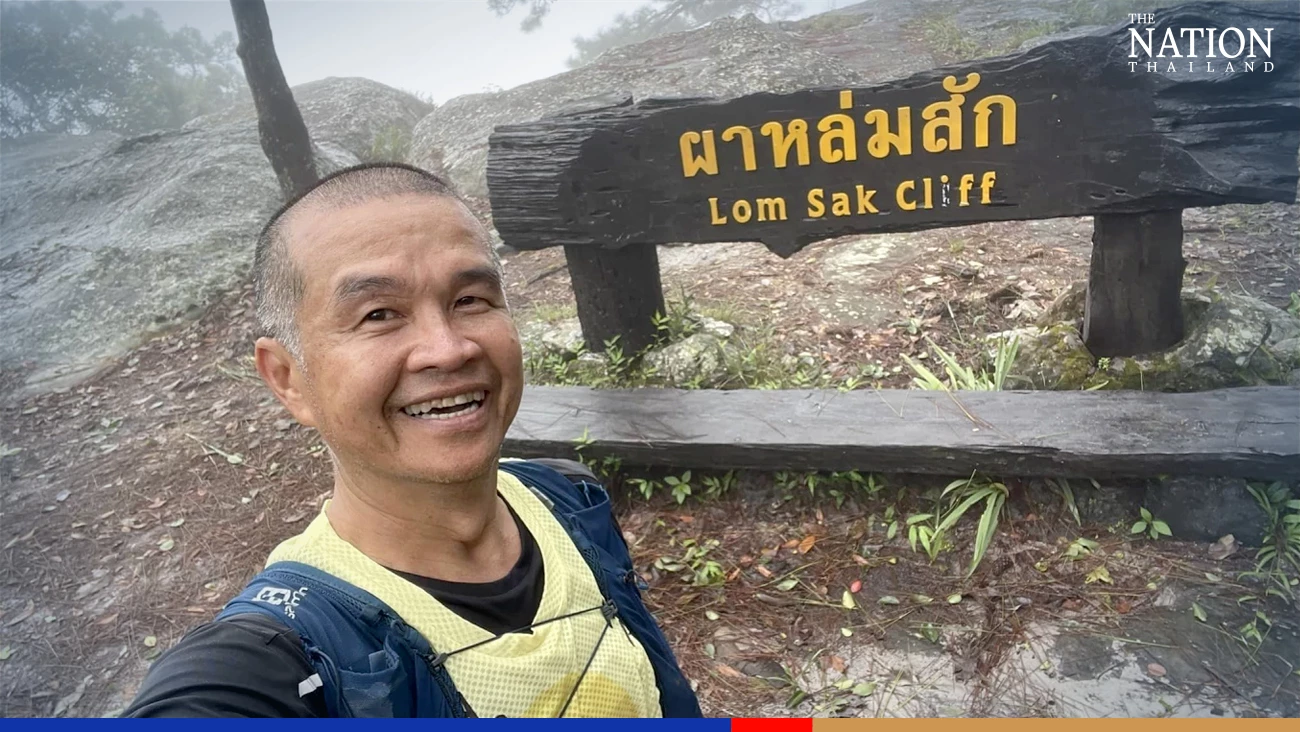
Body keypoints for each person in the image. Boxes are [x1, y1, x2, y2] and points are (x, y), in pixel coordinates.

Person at [123, 163, 701, 718]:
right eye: (378, 313)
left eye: (470, 300)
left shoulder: (567, 496)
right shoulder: (285, 651)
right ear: (288, 378)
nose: (449, 349)